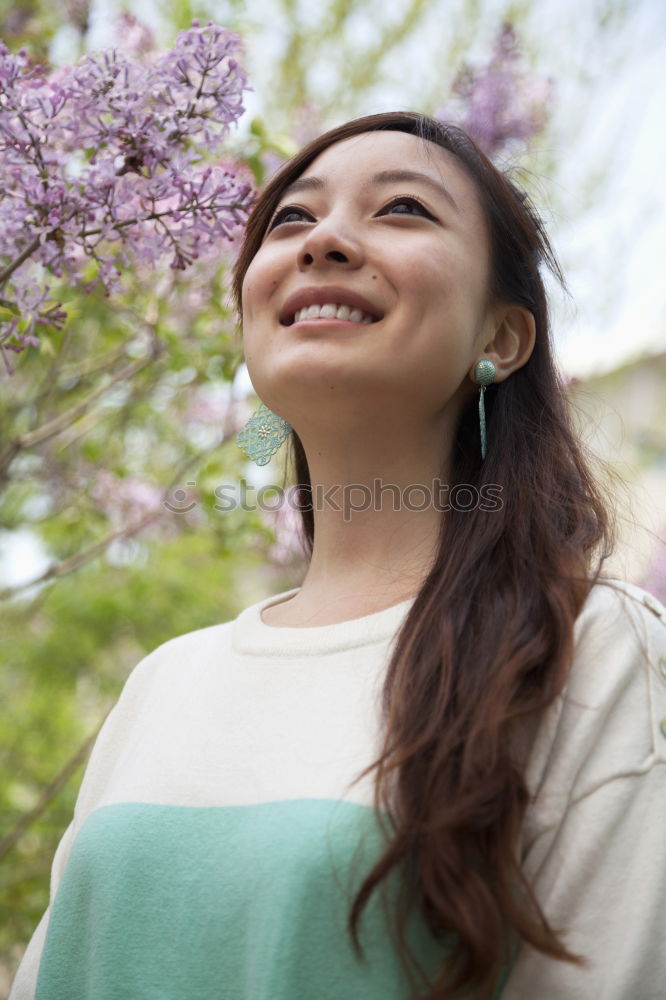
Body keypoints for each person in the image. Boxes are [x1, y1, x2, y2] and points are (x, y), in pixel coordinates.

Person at [9, 112, 666, 1000]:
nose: (323, 240)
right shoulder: (165, 682)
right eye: (290, 220)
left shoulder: (593, 649)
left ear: (500, 338)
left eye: (402, 208)